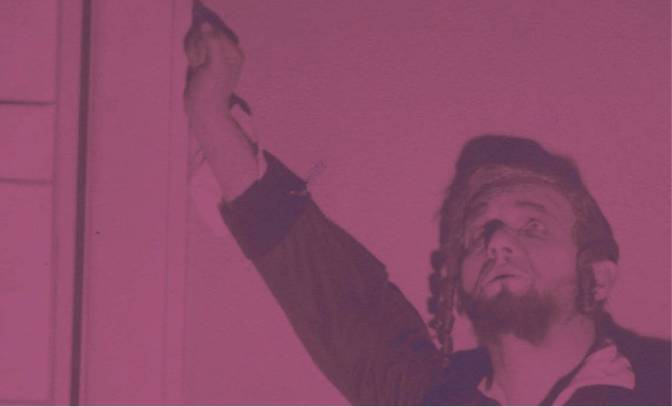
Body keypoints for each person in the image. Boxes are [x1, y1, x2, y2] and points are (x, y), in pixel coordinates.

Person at [183, 20, 671, 405]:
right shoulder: (426, 395)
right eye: (478, 232)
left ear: (598, 277)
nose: (497, 241)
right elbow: (335, 297)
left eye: (533, 225)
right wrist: (211, 115)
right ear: (459, 282)